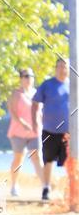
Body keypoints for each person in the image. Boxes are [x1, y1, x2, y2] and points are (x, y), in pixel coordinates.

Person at [31, 57, 70, 201]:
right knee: (48, 160)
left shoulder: (73, 85)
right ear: (55, 68)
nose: (62, 69)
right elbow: (35, 103)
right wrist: (35, 122)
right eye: (59, 66)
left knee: (71, 161)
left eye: (65, 67)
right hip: (49, 130)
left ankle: (71, 190)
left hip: (69, 132)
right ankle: (46, 188)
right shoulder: (48, 85)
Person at [7, 68, 43, 197]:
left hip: (35, 132)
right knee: (18, 158)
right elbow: (12, 112)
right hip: (18, 132)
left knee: (37, 158)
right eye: (26, 76)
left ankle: (45, 186)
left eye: (31, 76)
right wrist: (23, 123)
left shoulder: (37, 94)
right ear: (21, 79)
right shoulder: (16, 94)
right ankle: (14, 185)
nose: (29, 79)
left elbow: (40, 113)